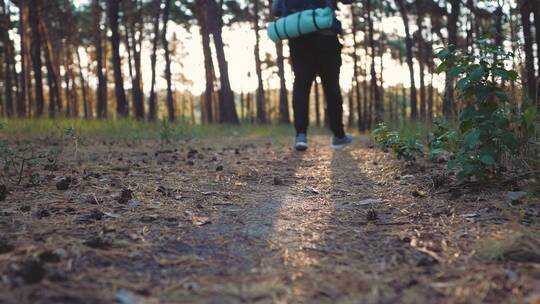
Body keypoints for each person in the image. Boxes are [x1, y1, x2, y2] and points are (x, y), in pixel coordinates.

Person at [272, 0, 354, 151]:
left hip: (299, 39)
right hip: (326, 37)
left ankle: (301, 135)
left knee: (301, 86)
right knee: (332, 87)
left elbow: (276, 10)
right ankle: (339, 135)